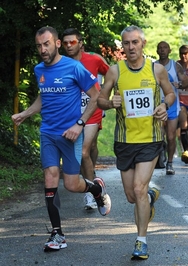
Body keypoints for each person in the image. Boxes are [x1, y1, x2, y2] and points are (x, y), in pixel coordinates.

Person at [11, 26, 111, 252]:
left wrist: (79, 124)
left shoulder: (74, 67)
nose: (42, 49)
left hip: (70, 134)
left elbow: (95, 97)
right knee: (50, 177)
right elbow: (43, 95)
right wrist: (25, 113)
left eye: (46, 44)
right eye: (38, 46)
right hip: (48, 132)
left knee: (72, 184)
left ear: (57, 44)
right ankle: (57, 234)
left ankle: (95, 189)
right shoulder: (39, 69)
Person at [97, 25, 175, 260]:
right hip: (124, 140)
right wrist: (111, 103)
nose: (130, 47)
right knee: (133, 196)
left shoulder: (156, 69)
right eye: (126, 43)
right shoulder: (115, 71)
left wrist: (164, 105)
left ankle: (141, 241)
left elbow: (170, 93)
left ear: (143, 44)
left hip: (150, 140)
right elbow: (100, 99)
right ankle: (150, 196)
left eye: (134, 42)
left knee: (139, 189)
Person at [61, 28, 110, 210]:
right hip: (73, 113)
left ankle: (90, 193)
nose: (68, 46)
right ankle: (92, 178)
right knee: (88, 151)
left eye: (72, 42)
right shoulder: (62, 63)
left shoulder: (94, 59)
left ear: (80, 43)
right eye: (65, 43)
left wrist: (105, 95)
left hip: (93, 110)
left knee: (84, 152)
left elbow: (111, 75)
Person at [155, 41, 188, 175]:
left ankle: (169, 163)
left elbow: (187, 82)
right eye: (160, 48)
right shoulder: (153, 66)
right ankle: (160, 156)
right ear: (157, 51)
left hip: (172, 106)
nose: (162, 50)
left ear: (169, 51)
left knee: (171, 136)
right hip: (157, 106)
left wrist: (179, 84)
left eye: (165, 48)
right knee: (159, 136)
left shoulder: (175, 66)